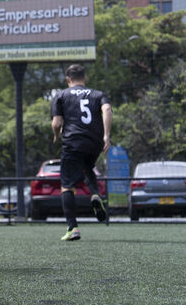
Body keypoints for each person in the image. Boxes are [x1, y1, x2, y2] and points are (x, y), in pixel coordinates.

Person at [51, 64, 113, 241]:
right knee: (87, 167)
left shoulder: (60, 95)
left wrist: (56, 134)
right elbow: (107, 110)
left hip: (73, 142)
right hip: (94, 142)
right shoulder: (97, 94)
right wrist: (106, 136)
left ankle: (73, 228)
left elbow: (56, 123)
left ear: (68, 79)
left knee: (67, 185)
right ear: (85, 79)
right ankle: (95, 194)